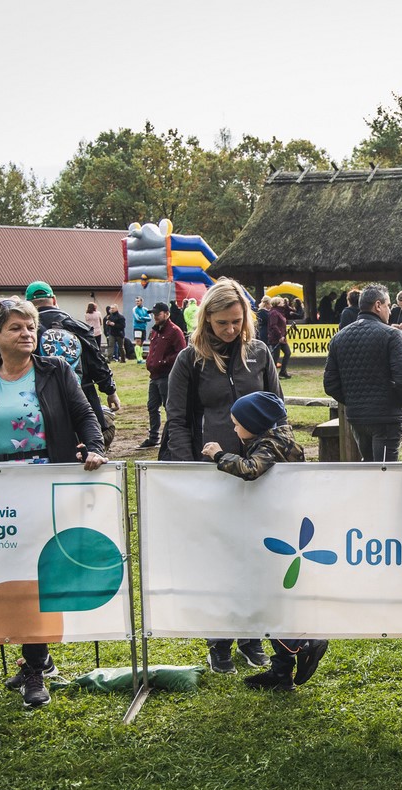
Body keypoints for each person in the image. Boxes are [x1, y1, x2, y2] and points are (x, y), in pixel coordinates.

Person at [0, 296, 107, 708]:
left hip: (43, 484)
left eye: (31, 327)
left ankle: (34, 667)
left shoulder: (56, 370)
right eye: (16, 327)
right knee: (7, 573)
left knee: (36, 575)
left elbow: (85, 416)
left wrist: (94, 446)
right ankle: (38, 655)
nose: (27, 333)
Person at [165, 278, 279, 671]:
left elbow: (277, 410)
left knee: (255, 554)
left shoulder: (259, 353)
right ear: (206, 320)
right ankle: (218, 641)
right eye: (222, 323)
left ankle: (251, 636)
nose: (230, 330)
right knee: (218, 557)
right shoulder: (189, 360)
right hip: (210, 470)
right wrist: (189, 471)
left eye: (236, 321)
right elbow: (177, 419)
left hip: (257, 471)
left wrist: (278, 456)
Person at [201, 391, 329, 690]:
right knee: (276, 600)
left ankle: (304, 643)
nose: (234, 429)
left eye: (237, 424)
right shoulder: (282, 438)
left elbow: (250, 470)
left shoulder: (269, 446)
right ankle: (281, 673)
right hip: (283, 531)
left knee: (267, 601)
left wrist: (219, 455)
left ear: (254, 424)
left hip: (276, 537)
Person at [324, 285, 402, 462]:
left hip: (357, 416)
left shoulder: (339, 338)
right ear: (378, 305)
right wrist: (400, 403)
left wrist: (353, 399)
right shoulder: (391, 334)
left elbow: (330, 384)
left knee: (367, 467)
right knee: (384, 470)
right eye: (388, 305)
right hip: (386, 416)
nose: (390, 311)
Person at [26, 282, 122, 445]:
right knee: (89, 445)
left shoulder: (26, 333)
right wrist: (110, 390)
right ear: (54, 300)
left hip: (40, 401)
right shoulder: (77, 327)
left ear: (28, 304)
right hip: (81, 397)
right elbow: (96, 362)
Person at [141, 302, 186, 449]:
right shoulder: (155, 331)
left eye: (158, 314)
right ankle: (154, 437)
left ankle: (173, 436)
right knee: (152, 406)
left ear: (167, 314)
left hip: (167, 375)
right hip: (154, 375)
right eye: (154, 314)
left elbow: (181, 352)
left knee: (169, 407)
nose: (155, 317)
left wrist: (164, 361)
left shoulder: (174, 331)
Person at [266, 296, 292, 379]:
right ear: (277, 303)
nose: (283, 303)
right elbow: (273, 325)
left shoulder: (280, 312)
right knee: (275, 356)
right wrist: (280, 335)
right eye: (281, 301)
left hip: (282, 337)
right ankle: (272, 374)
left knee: (287, 352)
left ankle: (283, 371)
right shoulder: (274, 313)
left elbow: (288, 310)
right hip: (276, 337)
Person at [132, 297, 150, 363]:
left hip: (143, 328)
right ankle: (138, 358)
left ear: (141, 301)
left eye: (138, 301)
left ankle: (141, 357)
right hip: (137, 327)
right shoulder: (135, 309)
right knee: (138, 341)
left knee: (142, 343)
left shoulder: (145, 309)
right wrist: (144, 319)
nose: (137, 302)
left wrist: (142, 318)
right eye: (136, 301)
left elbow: (149, 318)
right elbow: (137, 318)